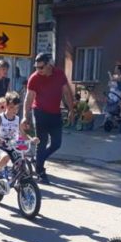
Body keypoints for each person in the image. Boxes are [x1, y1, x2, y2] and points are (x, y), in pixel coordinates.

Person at [21, 52, 74, 184]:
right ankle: (40, 172)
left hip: (55, 113)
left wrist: (71, 110)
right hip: (40, 113)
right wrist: (25, 116)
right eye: (36, 67)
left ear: (49, 64)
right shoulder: (34, 78)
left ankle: (39, 159)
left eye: (41, 67)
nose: (38, 70)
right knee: (42, 143)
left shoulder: (59, 74)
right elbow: (29, 98)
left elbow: (67, 92)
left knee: (57, 143)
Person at [0, 91, 37, 179]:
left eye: (17, 108)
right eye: (12, 107)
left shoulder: (17, 119)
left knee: (20, 160)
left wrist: (31, 139)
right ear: (6, 105)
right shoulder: (0, 118)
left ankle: (20, 182)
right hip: (0, 145)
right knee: (6, 157)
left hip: (13, 145)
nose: (15, 110)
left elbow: (23, 134)